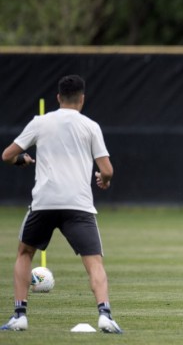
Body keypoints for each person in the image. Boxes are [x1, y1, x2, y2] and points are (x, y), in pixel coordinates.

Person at [0, 75, 122, 333]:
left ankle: (20, 315)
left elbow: (7, 155)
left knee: (24, 253)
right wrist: (104, 179)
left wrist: (22, 160)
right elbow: (107, 169)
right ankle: (105, 315)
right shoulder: (90, 126)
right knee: (94, 262)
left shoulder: (40, 122)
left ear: (58, 97)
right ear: (82, 99)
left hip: (45, 202)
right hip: (78, 204)